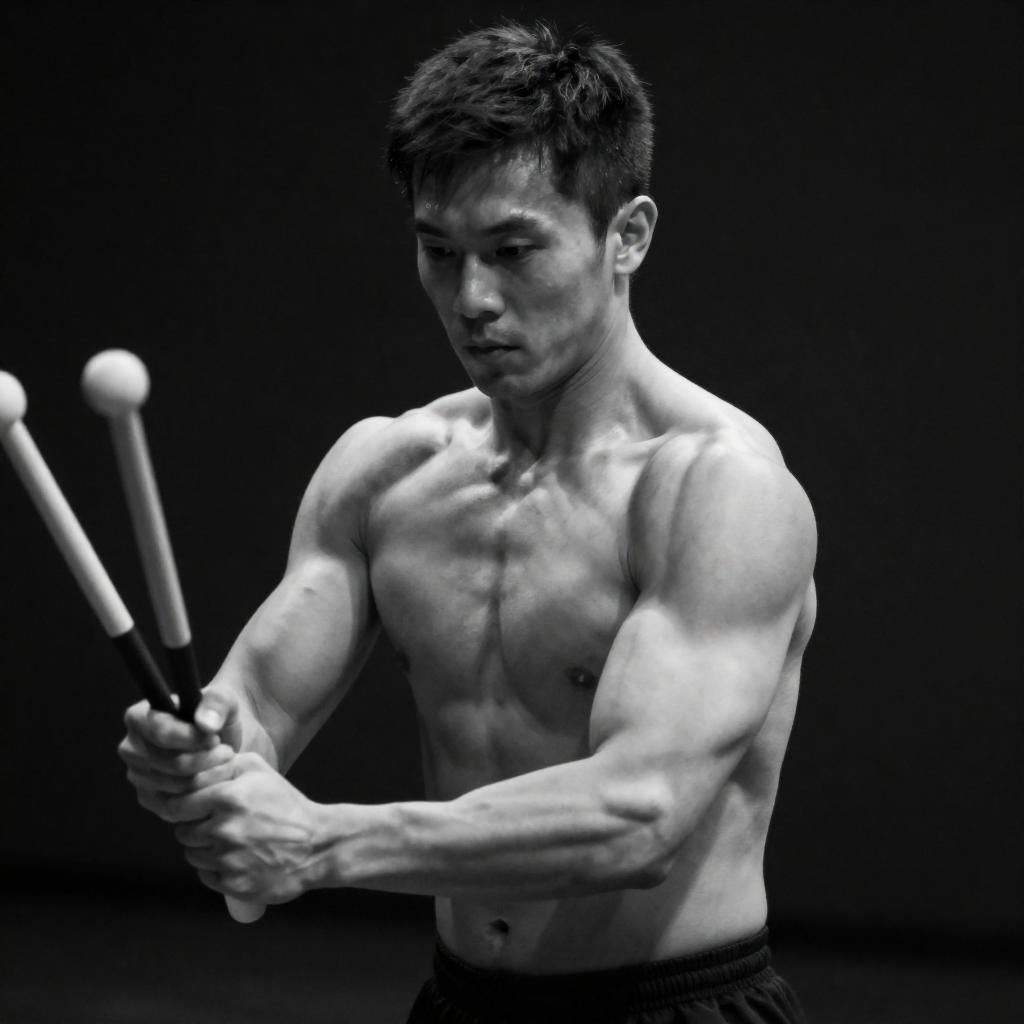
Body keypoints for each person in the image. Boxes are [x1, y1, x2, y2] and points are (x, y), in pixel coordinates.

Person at [119, 20, 816, 1024]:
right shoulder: (386, 471)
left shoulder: (717, 488)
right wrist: (200, 751)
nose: (472, 298)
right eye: (439, 252)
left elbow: (638, 815)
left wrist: (322, 842)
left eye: (512, 250)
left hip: (672, 1007)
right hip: (459, 1003)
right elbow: (256, 704)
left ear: (627, 235)